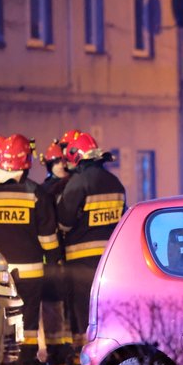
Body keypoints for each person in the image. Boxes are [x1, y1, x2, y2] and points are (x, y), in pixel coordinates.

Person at [0, 134, 59, 365]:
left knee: (0, 314)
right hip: (31, 271)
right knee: (28, 317)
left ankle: (1, 360)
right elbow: (48, 236)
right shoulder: (36, 193)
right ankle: (26, 360)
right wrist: (53, 261)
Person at [57, 131, 126, 347]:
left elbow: (64, 222)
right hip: (110, 259)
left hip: (81, 259)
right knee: (107, 305)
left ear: (76, 156)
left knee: (83, 307)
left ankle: (84, 352)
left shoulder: (78, 183)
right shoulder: (116, 183)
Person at [37, 136, 73, 365]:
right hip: (53, 253)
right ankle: (55, 347)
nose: (61, 165)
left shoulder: (76, 185)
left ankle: (69, 347)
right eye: (56, 162)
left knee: (70, 303)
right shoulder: (44, 191)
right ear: (49, 165)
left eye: (63, 161)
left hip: (73, 251)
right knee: (54, 301)